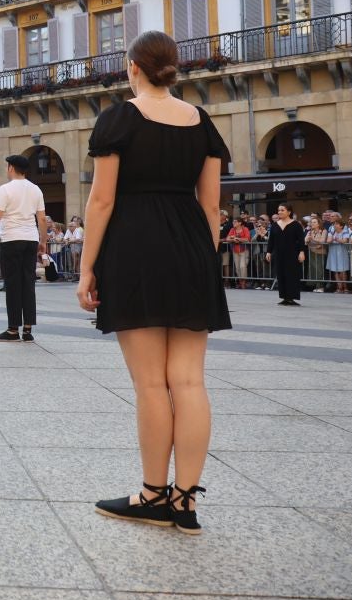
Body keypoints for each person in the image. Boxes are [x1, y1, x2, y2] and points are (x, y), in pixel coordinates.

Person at [77, 30, 229, 536]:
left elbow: (101, 201)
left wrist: (86, 267)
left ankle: (151, 494)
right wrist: (203, 260)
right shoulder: (201, 122)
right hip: (191, 248)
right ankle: (185, 503)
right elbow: (211, 206)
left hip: (135, 248)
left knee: (149, 383)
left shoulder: (118, 118)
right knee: (189, 381)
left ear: (134, 68)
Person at [0, 156, 46, 342]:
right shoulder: (36, 189)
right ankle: (28, 328)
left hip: (11, 239)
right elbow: (42, 219)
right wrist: (43, 241)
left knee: (13, 284)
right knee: (28, 283)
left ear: (11, 168)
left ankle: (13, 329)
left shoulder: (5, 189)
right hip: (30, 238)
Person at [266, 204, 305, 306]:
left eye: (282, 210)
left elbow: (301, 240)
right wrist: (268, 252)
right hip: (279, 254)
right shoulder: (275, 225)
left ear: (289, 212)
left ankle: (291, 297)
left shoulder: (296, 225)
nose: (280, 212)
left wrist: (302, 252)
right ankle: (284, 297)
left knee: (292, 275)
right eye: (279, 210)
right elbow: (271, 240)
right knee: (281, 275)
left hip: (292, 254)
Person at [226, 218, 251, 290]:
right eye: (233, 221)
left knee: (242, 266)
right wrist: (233, 239)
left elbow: (247, 239)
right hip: (235, 250)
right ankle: (240, 282)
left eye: (235, 222)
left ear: (240, 223)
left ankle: (243, 282)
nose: (233, 223)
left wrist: (238, 239)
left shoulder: (245, 229)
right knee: (237, 268)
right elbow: (227, 238)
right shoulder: (232, 230)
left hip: (244, 250)